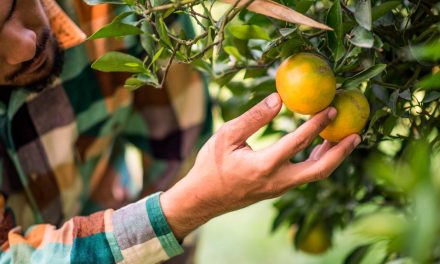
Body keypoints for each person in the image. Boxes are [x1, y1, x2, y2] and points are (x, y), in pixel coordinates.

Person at [0, 0, 361, 263]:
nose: (26, 44)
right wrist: (185, 207)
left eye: (12, 8)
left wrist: (176, 224)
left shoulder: (130, 11)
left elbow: (178, 149)